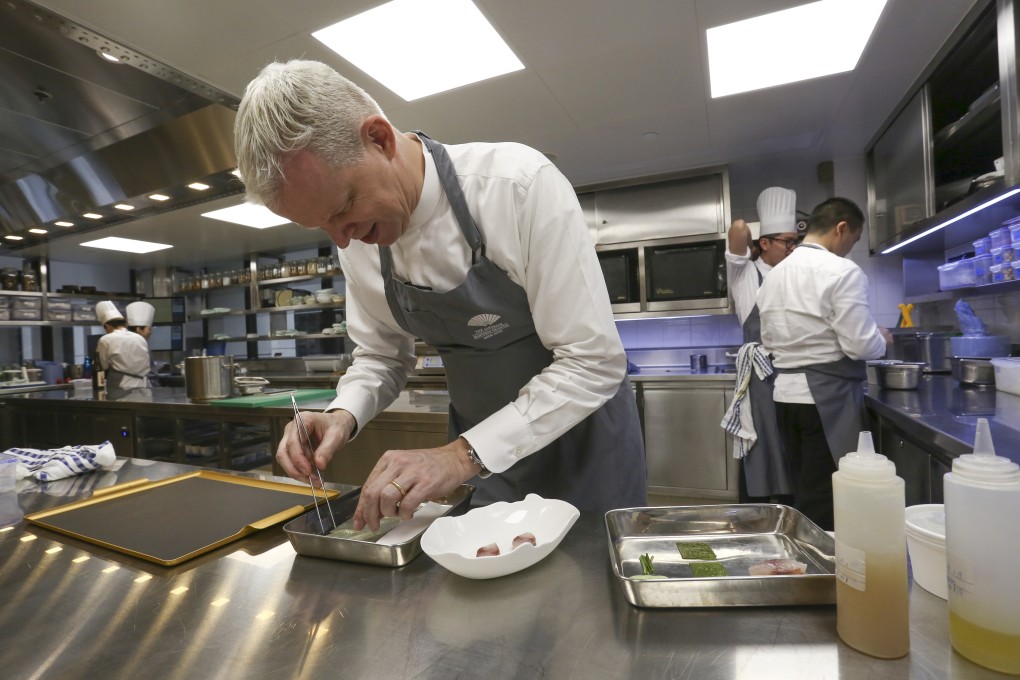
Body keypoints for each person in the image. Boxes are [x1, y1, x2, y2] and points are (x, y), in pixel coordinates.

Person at [234, 60, 647, 530]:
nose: (342, 239)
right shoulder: (358, 238)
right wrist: (341, 415)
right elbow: (382, 356)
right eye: (322, 226)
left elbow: (591, 361)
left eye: (344, 206)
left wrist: (460, 455)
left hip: (582, 444)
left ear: (380, 139)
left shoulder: (516, 185)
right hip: (482, 459)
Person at [756, 197, 893, 530]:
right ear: (841, 228)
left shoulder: (773, 276)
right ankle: (821, 558)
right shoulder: (842, 271)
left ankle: (802, 552)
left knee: (804, 489)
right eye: (853, 240)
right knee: (828, 497)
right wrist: (882, 339)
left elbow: (769, 342)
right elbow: (860, 345)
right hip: (826, 400)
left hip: (784, 398)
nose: (849, 248)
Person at [722, 187, 799, 503]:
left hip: (792, 371)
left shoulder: (795, 275)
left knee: (790, 447)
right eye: (787, 242)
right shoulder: (745, 274)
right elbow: (739, 228)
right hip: (760, 377)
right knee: (761, 443)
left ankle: (789, 512)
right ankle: (755, 512)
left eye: (796, 242)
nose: (793, 248)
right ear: (764, 243)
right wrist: (756, 231)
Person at [95, 300, 151, 394]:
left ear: (106, 326)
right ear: (126, 324)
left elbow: (102, 366)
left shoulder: (105, 340)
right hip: (144, 385)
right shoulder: (140, 338)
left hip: (121, 386)